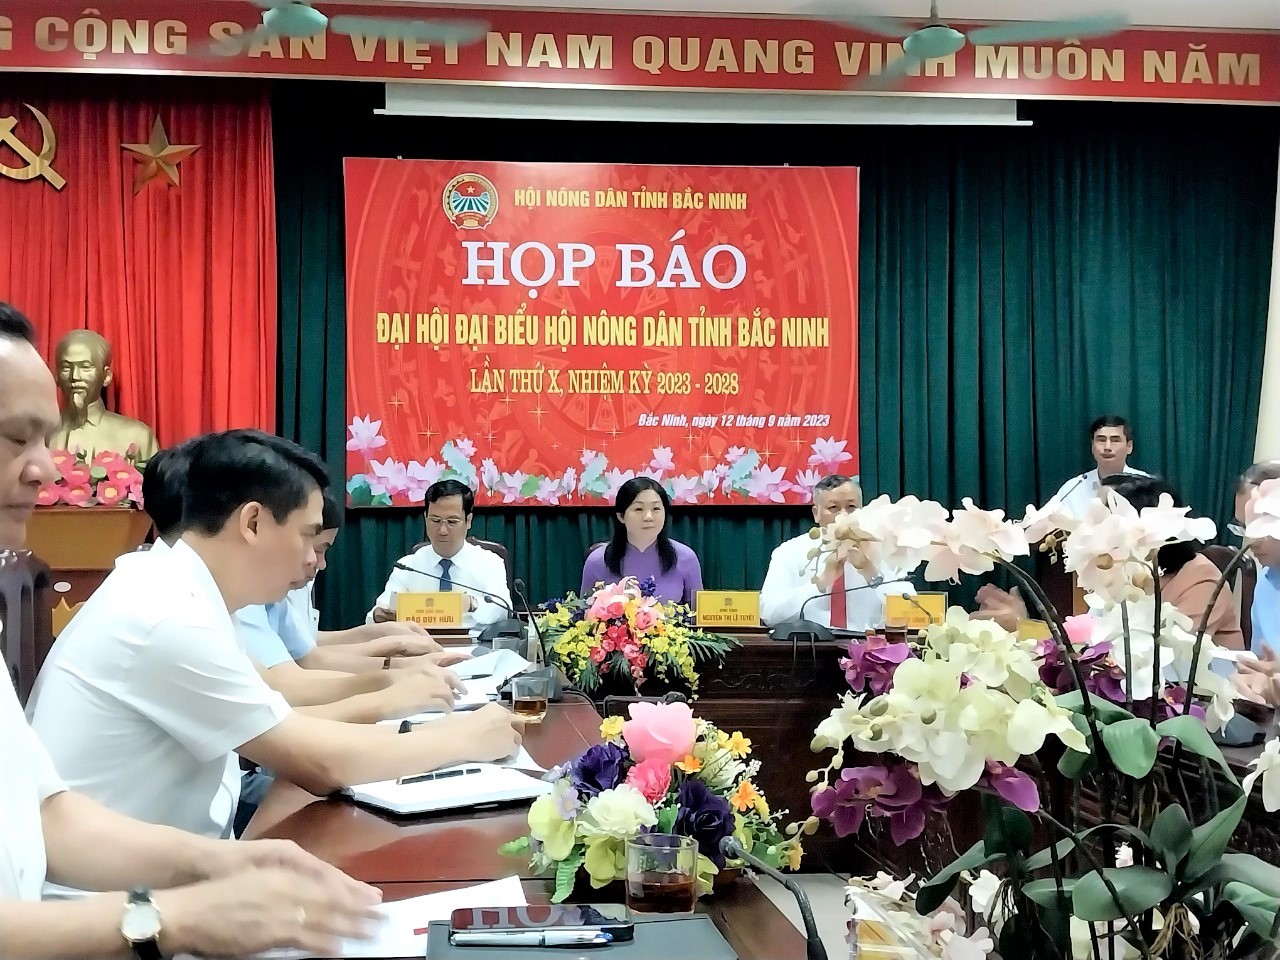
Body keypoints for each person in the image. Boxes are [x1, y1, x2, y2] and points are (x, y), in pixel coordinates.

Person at [0, 302, 380, 958]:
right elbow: (308, 752)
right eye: (15, 437)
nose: (46, 469)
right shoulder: (161, 609)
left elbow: (47, 816)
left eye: (46, 439)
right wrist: (166, 918)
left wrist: (219, 866)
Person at [28, 428, 524, 844]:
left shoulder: (181, 589)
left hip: (170, 863)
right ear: (253, 522)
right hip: (118, 906)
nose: (314, 558)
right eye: (309, 536)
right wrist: (463, 737)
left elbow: (288, 730)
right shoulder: (167, 615)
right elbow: (313, 758)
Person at [975, 475, 1245, 650]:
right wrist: (1026, 626)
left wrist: (1026, 629)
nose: (1091, 527)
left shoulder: (1200, 578)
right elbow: (1087, 637)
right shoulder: (1120, 572)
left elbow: (1159, 664)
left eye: (1103, 517)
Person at [760, 474, 915, 630]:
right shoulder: (791, 551)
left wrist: (870, 570)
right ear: (816, 513)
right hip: (809, 648)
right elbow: (769, 614)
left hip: (871, 647)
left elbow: (912, 610)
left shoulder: (882, 547)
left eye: (851, 507)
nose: (843, 515)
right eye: (833, 508)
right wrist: (822, 582)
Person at [368, 478, 513, 627]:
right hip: (419, 646)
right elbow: (379, 611)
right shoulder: (406, 566)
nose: (442, 530)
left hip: (474, 645)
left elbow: (503, 609)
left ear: (468, 521)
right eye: (435, 520)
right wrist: (379, 615)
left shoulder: (490, 563)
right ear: (425, 519)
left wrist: (471, 603)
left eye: (452, 522)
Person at [580, 476, 703, 604]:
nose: (648, 517)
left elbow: (698, 617)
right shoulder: (597, 561)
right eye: (639, 509)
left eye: (656, 509)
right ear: (621, 516)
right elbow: (584, 617)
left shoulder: (686, 558)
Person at [49, 328, 159, 462]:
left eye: (85, 367)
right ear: (56, 376)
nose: (75, 376)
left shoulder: (137, 437)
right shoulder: (40, 435)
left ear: (106, 376)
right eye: (66, 367)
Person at [1229, 462, 1280, 703]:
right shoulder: (1265, 582)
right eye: (1244, 526)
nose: (1251, 539)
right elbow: (1263, 664)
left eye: (1263, 521)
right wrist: (1249, 679)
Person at [1048, 415, 1150, 520]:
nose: (1107, 447)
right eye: (1101, 440)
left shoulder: (1147, 486)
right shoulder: (1072, 489)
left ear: (1129, 446)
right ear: (1092, 446)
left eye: (1115, 440)